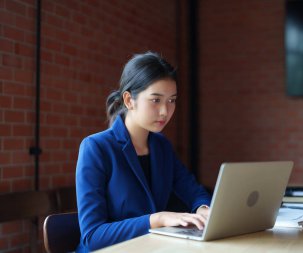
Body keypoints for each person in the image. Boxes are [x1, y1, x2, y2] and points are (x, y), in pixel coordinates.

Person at [75, 52, 211, 252]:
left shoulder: (161, 146)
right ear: (129, 100)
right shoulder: (96, 148)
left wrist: (204, 210)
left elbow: (193, 191)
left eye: (172, 100)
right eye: (156, 100)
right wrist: (157, 219)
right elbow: (92, 236)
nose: (165, 111)